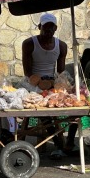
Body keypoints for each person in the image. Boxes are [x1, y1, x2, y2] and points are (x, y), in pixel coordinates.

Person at [22, 13, 78, 159]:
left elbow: (60, 71)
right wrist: (39, 82)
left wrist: (60, 84)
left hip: (51, 82)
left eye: (51, 30)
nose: (48, 33)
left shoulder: (61, 46)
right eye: (45, 29)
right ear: (39, 27)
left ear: (55, 29)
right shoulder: (29, 43)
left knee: (75, 103)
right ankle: (58, 142)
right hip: (33, 82)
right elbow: (28, 71)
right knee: (44, 107)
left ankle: (69, 141)